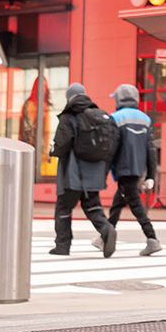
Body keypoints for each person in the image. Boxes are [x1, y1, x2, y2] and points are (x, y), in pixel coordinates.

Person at [49, 83, 118, 258]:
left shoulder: (69, 116)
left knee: (63, 208)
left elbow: (63, 143)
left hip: (72, 173)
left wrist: (53, 150)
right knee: (92, 206)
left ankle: (62, 246)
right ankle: (106, 229)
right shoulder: (97, 114)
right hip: (93, 172)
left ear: (69, 97)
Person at [94, 84, 162, 256]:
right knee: (117, 204)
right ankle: (104, 238)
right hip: (138, 170)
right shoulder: (145, 119)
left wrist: (102, 172)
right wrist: (151, 175)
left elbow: (110, 149)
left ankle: (152, 238)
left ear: (119, 99)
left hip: (123, 169)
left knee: (136, 206)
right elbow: (151, 150)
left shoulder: (115, 118)